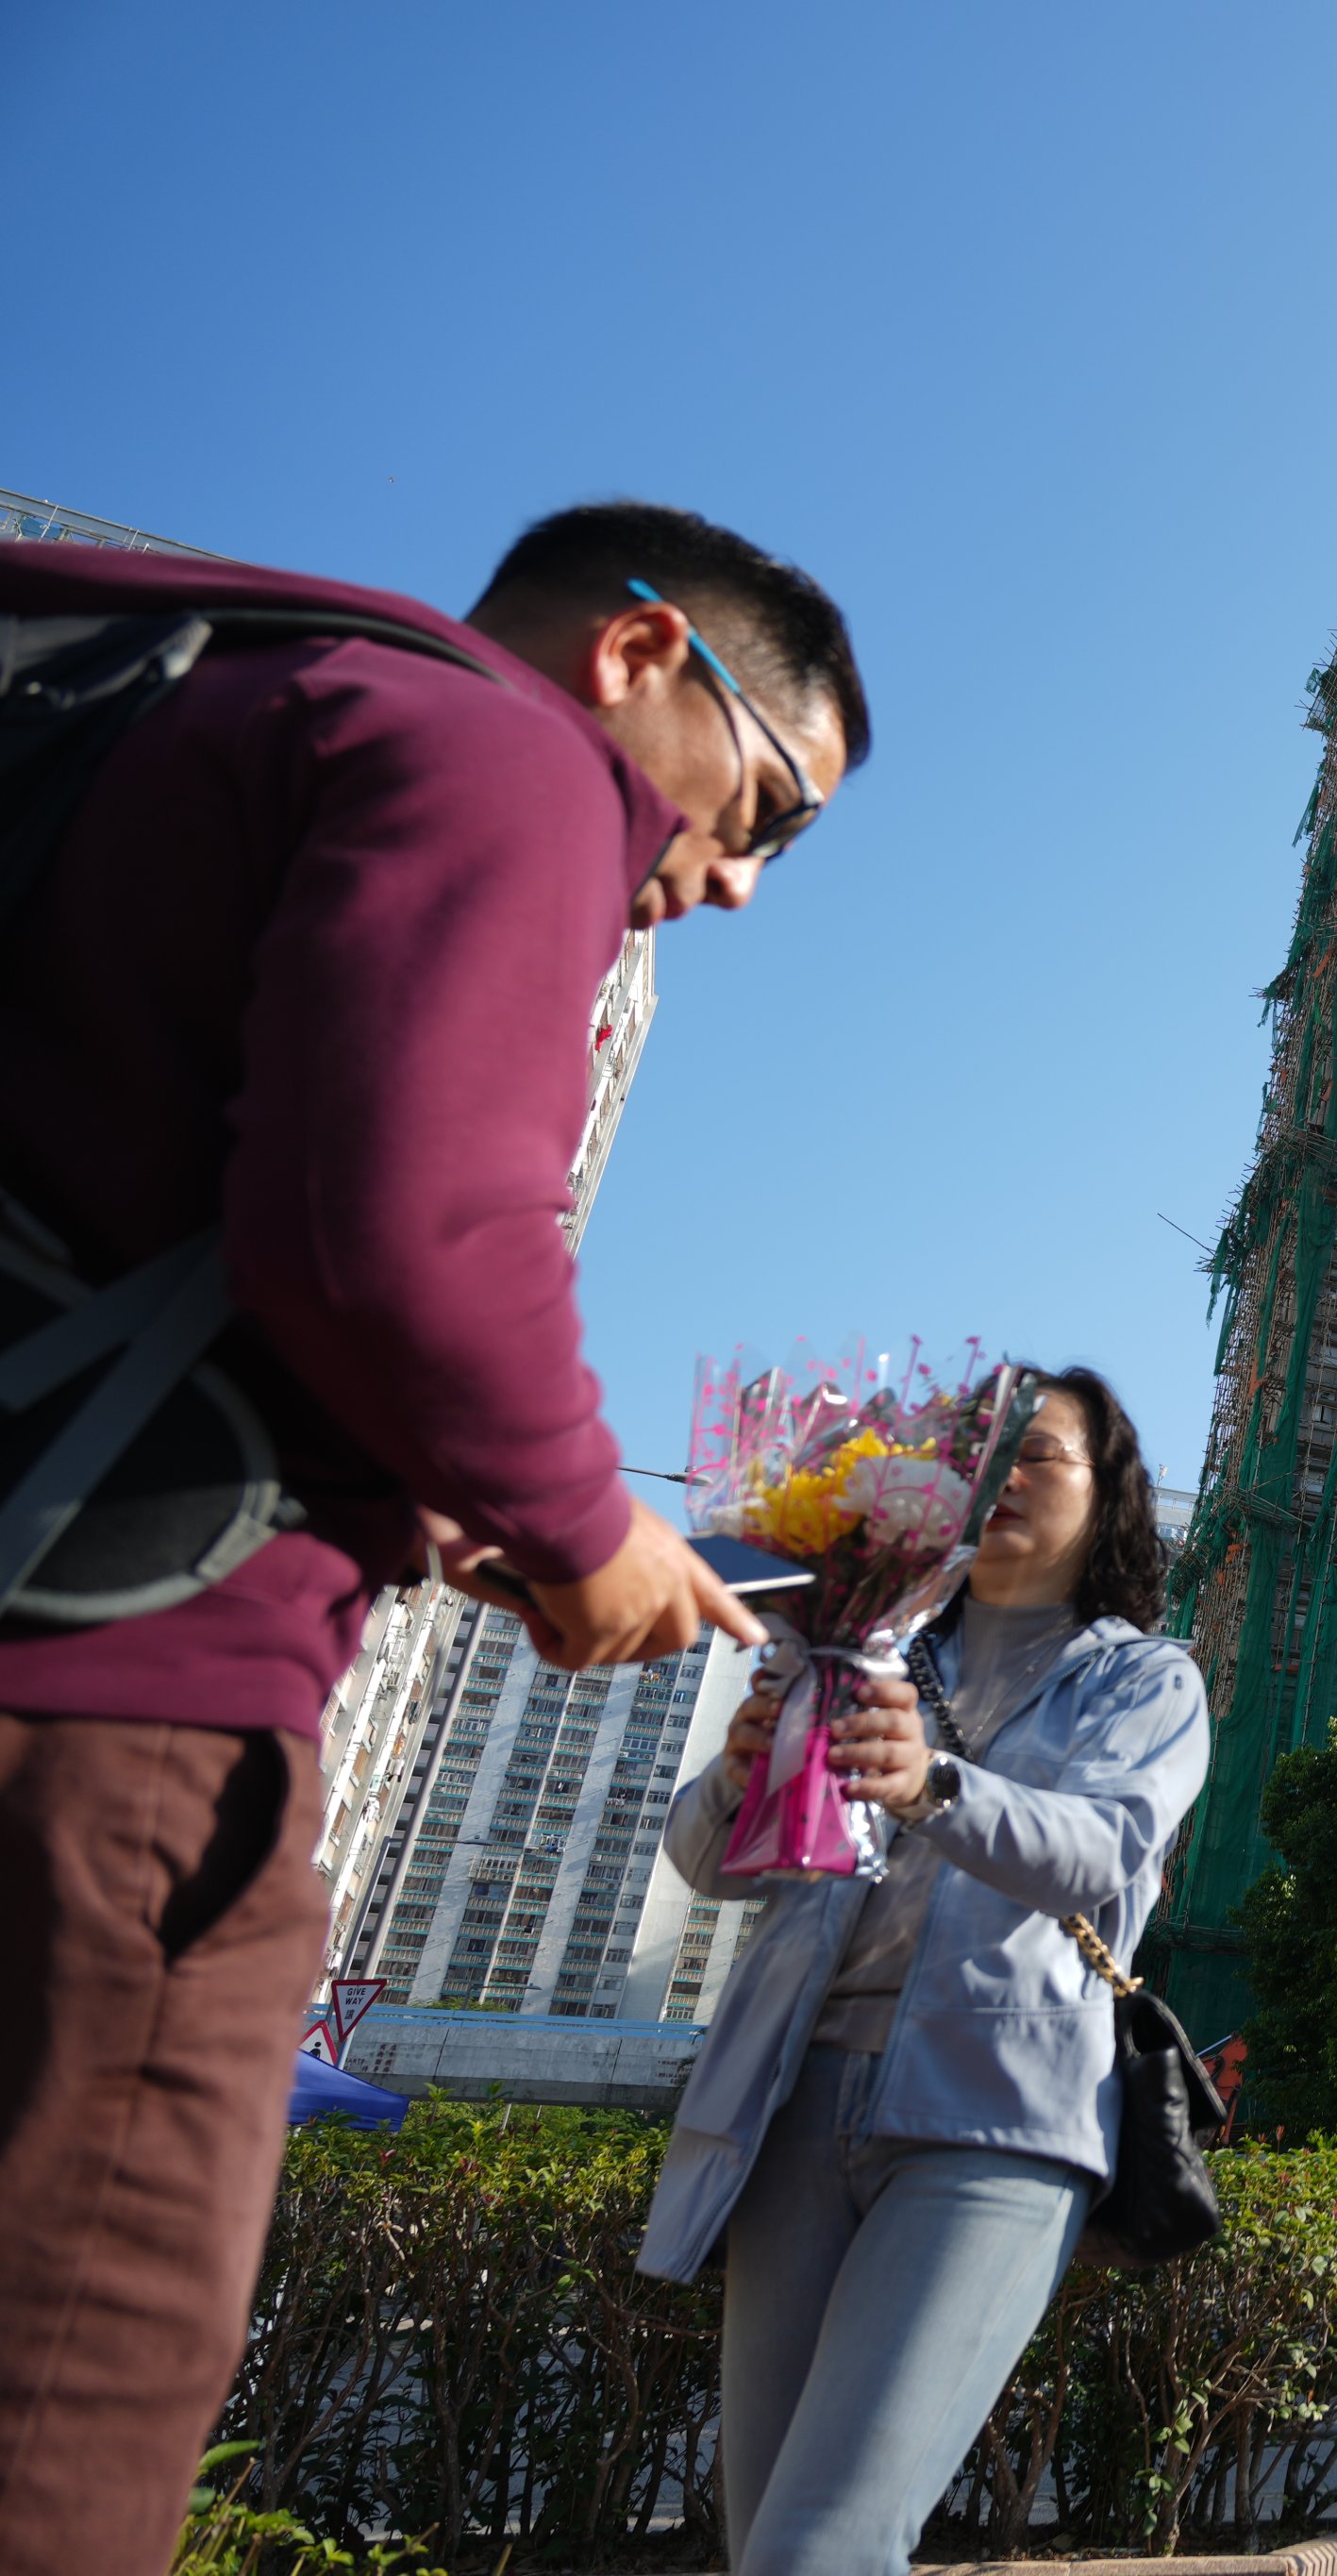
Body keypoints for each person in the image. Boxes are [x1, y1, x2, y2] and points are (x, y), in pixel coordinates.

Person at [0, 501, 868, 2576]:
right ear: (639, 653)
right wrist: (579, 1531)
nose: (738, 881)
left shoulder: (222, 704)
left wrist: (440, 1497)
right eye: (771, 809)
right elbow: (397, 1225)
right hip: (111, 1714)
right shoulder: (495, 751)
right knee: (65, 2411)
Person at [639, 1367, 1209, 2576]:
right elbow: (708, 1862)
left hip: (991, 2125)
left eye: (1038, 1455)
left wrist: (933, 1784)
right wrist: (746, 1770)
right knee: (765, 2548)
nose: (1003, 1477)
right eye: (983, 1455)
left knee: (823, 2549)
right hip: (789, 2107)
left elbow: (1099, 1846)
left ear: (1108, 1497)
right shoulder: (857, 1641)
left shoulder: (1144, 1680)